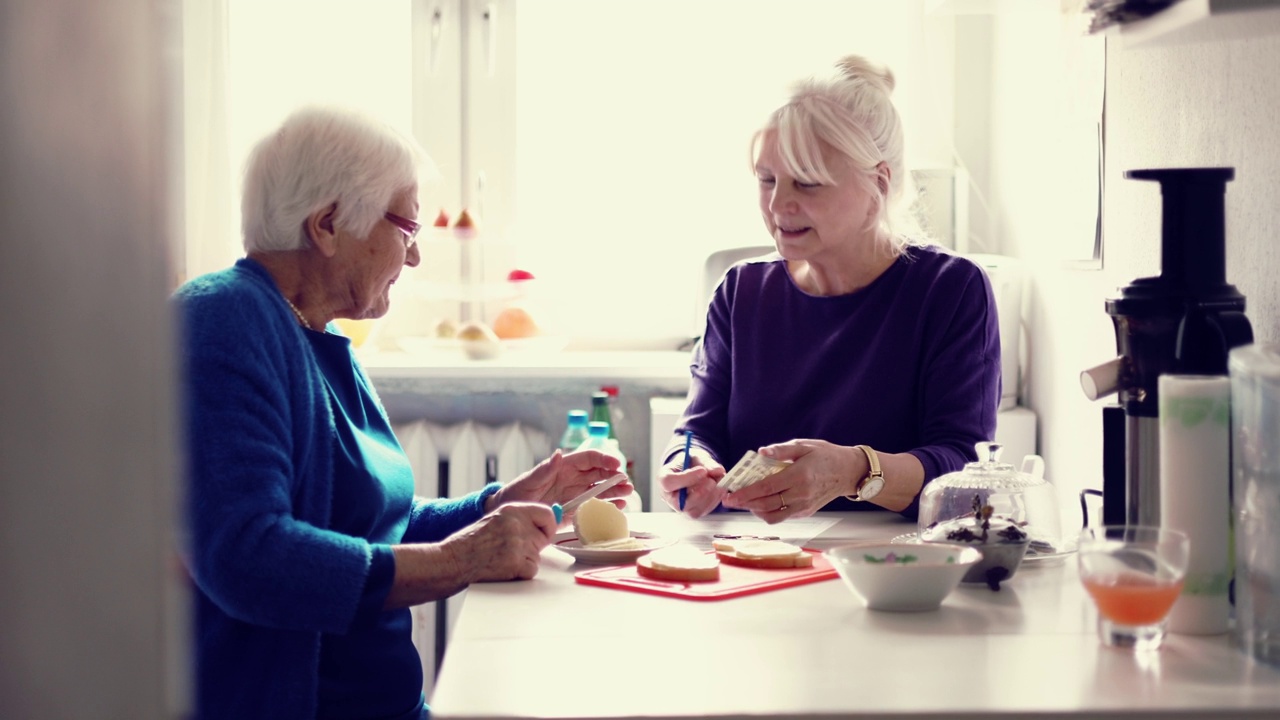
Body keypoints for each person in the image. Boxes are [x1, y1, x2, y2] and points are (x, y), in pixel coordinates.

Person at [175, 106, 632, 720]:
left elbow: (370, 526)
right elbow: (249, 557)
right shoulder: (222, 320)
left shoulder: (317, 333)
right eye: (408, 227)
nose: (414, 257)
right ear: (329, 224)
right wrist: (461, 559)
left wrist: (493, 507)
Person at [656, 55, 1001, 523]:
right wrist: (687, 465)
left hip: (892, 568)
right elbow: (698, 432)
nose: (779, 204)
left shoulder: (950, 290)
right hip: (752, 560)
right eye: (767, 179)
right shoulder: (740, 291)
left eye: (807, 183)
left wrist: (857, 470)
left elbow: (964, 471)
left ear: (878, 184)